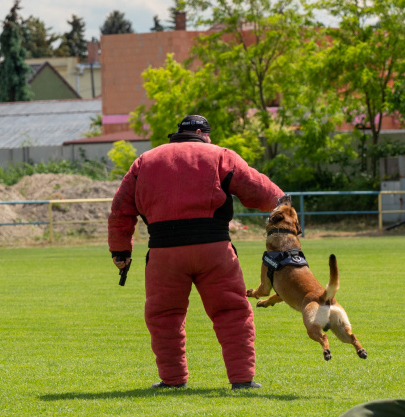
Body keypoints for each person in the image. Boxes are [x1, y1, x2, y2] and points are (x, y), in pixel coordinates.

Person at [108, 115, 286, 390]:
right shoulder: (220, 155)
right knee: (231, 312)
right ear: (202, 133)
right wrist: (283, 205)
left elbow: (121, 210)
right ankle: (242, 379)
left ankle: (172, 380)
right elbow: (260, 190)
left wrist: (120, 251)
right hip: (214, 249)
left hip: (164, 253)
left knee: (164, 316)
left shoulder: (144, 161)